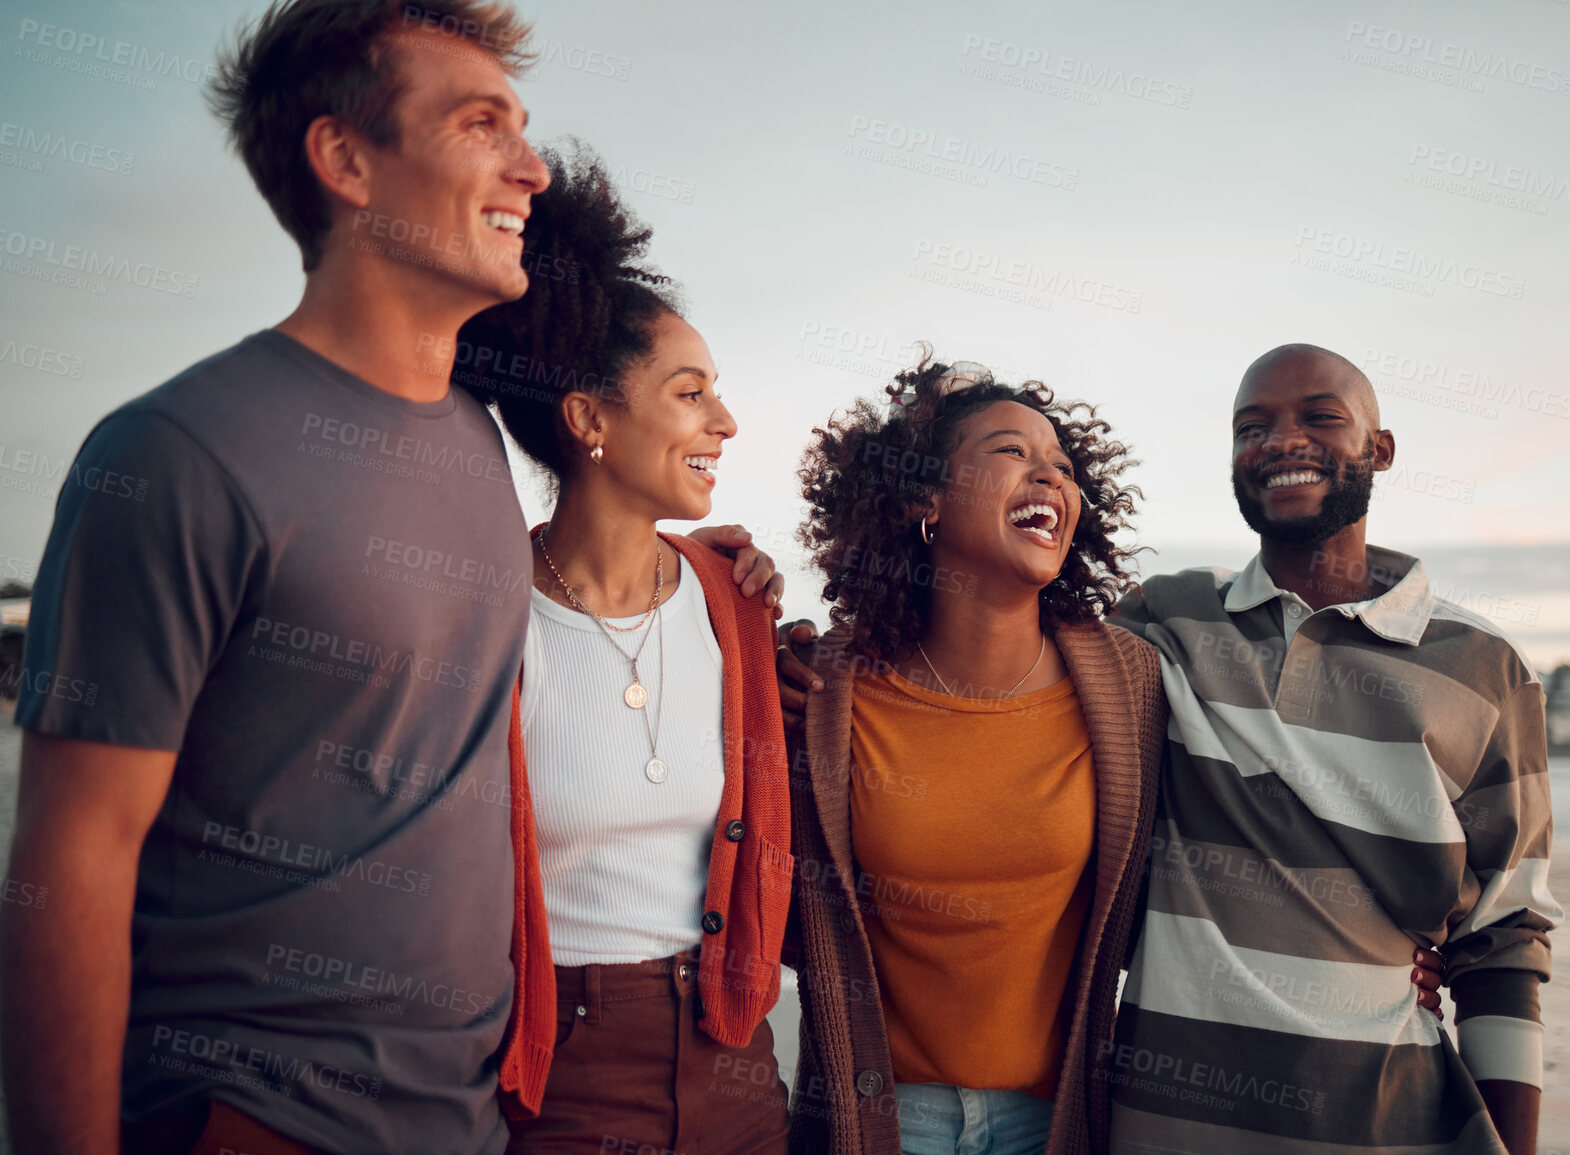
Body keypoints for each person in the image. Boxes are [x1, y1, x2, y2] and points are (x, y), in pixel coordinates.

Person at [1, 6, 777, 1154]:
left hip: (470, 1114)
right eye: (480, 124)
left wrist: (696, 562)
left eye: (524, 126)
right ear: (347, 160)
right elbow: (71, 867)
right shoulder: (175, 456)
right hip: (258, 1121)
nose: (533, 165)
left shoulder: (472, 448)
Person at [1105, 344, 1560, 1155]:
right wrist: (810, 669)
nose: (1279, 441)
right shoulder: (1162, 619)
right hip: (1158, 1124)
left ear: (1377, 451)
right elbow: (1005, 672)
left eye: (1319, 416)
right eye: (1252, 426)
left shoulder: (1484, 665)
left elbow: (1503, 934)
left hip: (1389, 1128)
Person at [456, 143, 794, 1154]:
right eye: (690, 393)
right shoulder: (483, 616)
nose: (725, 421)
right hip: (557, 1070)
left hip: (737, 1054)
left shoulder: (736, 600)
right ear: (590, 418)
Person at [784, 356, 1168, 1155]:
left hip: (1052, 1116)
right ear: (924, 498)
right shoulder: (825, 690)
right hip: (884, 1116)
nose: (1050, 479)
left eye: (1063, 466)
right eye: (1011, 452)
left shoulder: (1127, 684)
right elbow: (767, 892)